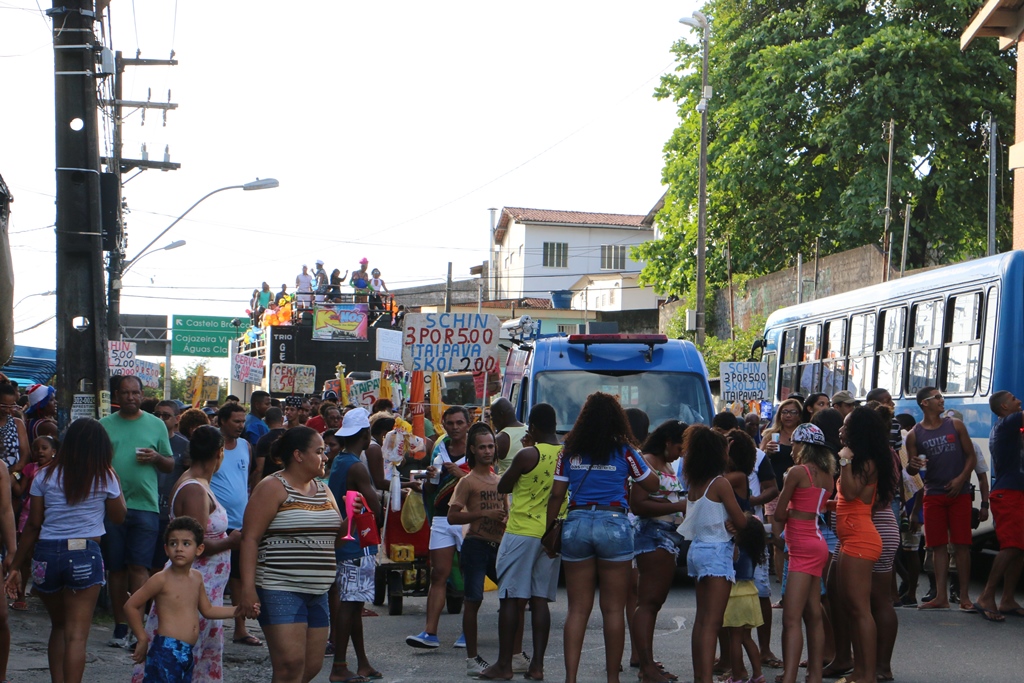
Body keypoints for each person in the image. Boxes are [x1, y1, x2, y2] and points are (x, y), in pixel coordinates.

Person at [545, 392, 659, 683]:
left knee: (577, 610)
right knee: (612, 610)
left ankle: (570, 678)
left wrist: (549, 532)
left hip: (577, 523)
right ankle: (612, 678)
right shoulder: (625, 450)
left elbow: (557, 494)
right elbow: (652, 483)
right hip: (614, 523)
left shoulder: (568, 451)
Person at [4, 419, 127, 683]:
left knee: (58, 627)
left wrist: (15, 565)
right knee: (76, 635)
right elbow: (119, 517)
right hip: (84, 553)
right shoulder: (105, 474)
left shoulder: (44, 475)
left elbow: (34, 524)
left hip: (46, 555)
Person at [130, 425, 240, 683]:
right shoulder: (194, 489)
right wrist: (232, 541)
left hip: (205, 589)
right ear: (219, 453)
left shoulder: (198, 483)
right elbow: (195, 545)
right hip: (191, 587)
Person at [238, 427, 342, 683]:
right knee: (289, 665)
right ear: (298, 455)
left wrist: (352, 517)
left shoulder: (323, 489)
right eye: (319, 451)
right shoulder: (272, 486)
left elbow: (334, 537)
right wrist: (248, 589)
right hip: (278, 587)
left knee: (312, 665)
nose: (325, 456)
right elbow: (250, 539)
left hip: (318, 591)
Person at [478, 404, 562, 682]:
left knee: (511, 598)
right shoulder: (567, 455)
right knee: (540, 600)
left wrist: (526, 448)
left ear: (533, 428)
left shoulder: (528, 454)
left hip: (522, 531)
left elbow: (502, 486)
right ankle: (537, 666)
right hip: (552, 534)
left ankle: (504, 665)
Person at [101, 375, 174, 648]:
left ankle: (138, 627)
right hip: (112, 505)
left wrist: (156, 457)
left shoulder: (156, 425)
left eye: (135, 392)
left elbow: (169, 464)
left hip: (146, 505)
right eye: (126, 393)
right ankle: (120, 626)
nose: (131, 397)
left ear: (142, 394)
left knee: (139, 567)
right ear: (117, 396)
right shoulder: (103, 426)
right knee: (116, 568)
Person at [126, 516, 243, 683]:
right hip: (166, 649)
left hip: (188, 651)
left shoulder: (196, 577)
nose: (179, 548)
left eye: (186, 544)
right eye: (173, 543)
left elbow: (208, 610)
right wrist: (142, 638)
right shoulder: (161, 579)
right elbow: (131, 605)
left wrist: (239, 610)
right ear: (166, 549)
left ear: (199, 549)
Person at [679, 425, 749, 683]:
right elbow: (740, 521)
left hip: (697, 549)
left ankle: (701, 677)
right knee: (713, 622)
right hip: (717, 550)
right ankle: (706, 679)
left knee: (701, 620)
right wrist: (742, 520)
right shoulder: (720, 483)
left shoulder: (695, 482)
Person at [833, 407, 897, 683]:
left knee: (860, 608)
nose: (841, 430)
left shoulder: (862, 461)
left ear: (858, 431)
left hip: (860, 539)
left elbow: (849, 491)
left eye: (846, 425)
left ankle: (866, 674)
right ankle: (861, 671)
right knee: (852, 606)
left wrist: (845, 461)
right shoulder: (867, 461)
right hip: (854, 537)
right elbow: (854, 499)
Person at [772, 423, 835, 683]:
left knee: (791, 616)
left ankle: (789, 677)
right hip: (818, 541)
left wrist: (786, 518)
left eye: (794, 443)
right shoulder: (828, 474)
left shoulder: (797, 472)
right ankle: (815, 676)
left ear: (802, 445)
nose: (791, 448)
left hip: (801, 545)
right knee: (813, 611)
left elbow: (778, 511)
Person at [904, 387, 976, 611]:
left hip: (959, 493)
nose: (941, 400)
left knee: (962, 544)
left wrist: (960, 479)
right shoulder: (915, 434)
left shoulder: (955, 425)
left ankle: (964, 597)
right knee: (936, 546)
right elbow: (912, 468)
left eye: (941, 397)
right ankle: (941, 596)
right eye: (936, 397)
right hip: (933, 493)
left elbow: (971, 457)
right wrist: (912, 465)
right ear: (924, 403)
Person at [407, 406, 472, 649]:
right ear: (443, 425)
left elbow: (489, 478)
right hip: (442, 518)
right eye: (450, 423)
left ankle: (468, 632)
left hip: (467, 518)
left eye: (459, 423)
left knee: (469, 576)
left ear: (468, 423)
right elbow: (432, 490)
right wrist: (430, 478)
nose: (455, 427)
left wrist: (460, 475)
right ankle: (429, 632)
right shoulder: (439, 448)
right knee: (438, 574)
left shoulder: (478, 449)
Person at [326, 409, 384, 683]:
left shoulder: (339, 460)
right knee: (349, 606)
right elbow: (376, 508)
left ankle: (361, 662)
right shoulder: (357, 466)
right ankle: (339, 665)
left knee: (353, 603)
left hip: (345, 540)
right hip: (356, 544)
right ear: (366, 435)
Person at [448, 423, 508, 676]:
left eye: (490, 446)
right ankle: (472, 657)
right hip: (475, 544)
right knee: (473, 600)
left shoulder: (501, 480)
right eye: (482, 447)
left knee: (510, 598)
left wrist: (504, 519)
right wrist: (483, 513)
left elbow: (506, 513)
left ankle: (510, 656)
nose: (486, 451)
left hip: (499, 546)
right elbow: (452, 516)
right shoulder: (467, 481)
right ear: (473, 449)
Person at [630, 419, 687, 683]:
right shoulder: (647, 461)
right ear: (667, 442)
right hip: (653, 536)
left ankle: (648, 662)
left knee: (653, 603)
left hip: (666, 538)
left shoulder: (665, 463)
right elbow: (638, 504)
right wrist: (678, 506)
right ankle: (646, 667)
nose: (681, 453)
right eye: (679, 447)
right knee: (649, 603)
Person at [208, 402, 259, 647]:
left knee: (239, 577)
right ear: (222, 421)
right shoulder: (212, 447)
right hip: (216, 524)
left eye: (242, 421)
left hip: (240, 521)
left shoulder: (246, 447)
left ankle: (240, 628)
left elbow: (247, 478)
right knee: (212, 575)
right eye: (236, 421)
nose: (240, 426)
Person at [974, 391, 1024, 620]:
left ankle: (1007, 599)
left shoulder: (1010, 428)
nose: (1019, 401)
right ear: (1004, 407)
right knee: (1012, 546)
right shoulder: (1007, 423)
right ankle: (987, 596)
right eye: (1014, 400)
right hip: (1009, 493)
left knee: (1019, 548)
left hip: (1016, 491)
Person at [722, 514, 768, 683]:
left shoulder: (736, 546)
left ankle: (737, 676)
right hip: (750, 593)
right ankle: (758, 674)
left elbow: (730, 560)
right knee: (746, 638)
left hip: (735, 595)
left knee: (734, 638)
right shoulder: (754, 549)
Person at [763, 398, 801, 594]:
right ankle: (782, 584)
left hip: (797, 492)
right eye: (785, 412)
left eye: (793, 412)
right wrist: (766, 452)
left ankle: (793, 579)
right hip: (774, 491)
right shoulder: (770, 435)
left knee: (794, 538)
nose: (788, 415)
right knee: (778, 540)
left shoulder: (803, 435)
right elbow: (757, 462)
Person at [152, 400, 191, 572]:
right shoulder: (146, 439)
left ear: (177, 419)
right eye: (157, 415)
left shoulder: (184, 445)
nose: (160, 419)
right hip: (148, 509)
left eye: (165, 416)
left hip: (169, 513)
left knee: (164, 565)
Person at [491, 398, 527, 476]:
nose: (492, 420)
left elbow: (484, 466)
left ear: (501, 414)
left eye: (493, 416)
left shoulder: (501, 439)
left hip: (506, 486)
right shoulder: (529, 430)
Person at [253, 407, 287, 485]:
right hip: (289, 483)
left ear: (266, 421)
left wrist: (256, 489)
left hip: (269, 483)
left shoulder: (263, 440)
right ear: (282, 419)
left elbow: (259, 469)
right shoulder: (291, 436)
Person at [0, 382, 29, 471]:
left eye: (11, 406)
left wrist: (12, 476)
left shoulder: (18, 424)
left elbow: (25, 455)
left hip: (13, 478)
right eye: (4, 406)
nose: (8, 410)